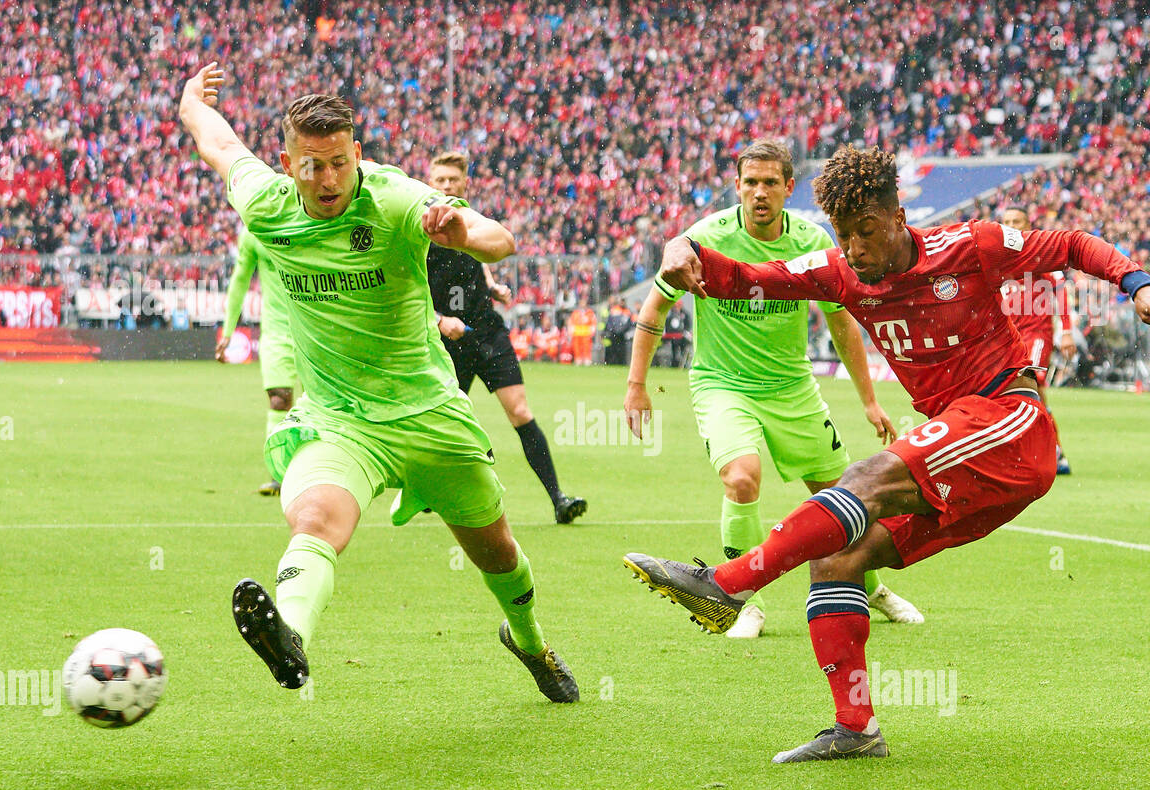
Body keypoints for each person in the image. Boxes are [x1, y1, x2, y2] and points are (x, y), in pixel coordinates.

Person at [625, 146, 1150, 761]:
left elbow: (1073, 244)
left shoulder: (971, 245)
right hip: (964, 458)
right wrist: (684, 251)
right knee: (837, 556)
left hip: (1010, 422)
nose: (856, 249)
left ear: (898, 215)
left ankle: (725, 585)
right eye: (844, 234)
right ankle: (856, 730)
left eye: (866, 231)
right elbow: (747, 279)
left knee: (866, 476)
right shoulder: (839, 272)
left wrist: (1141, 284)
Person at [178, 63, 578, 703]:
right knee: (313, 516)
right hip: (341, 419)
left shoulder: (393, 197)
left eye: (338, 162)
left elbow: (496, 239)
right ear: (288, 162)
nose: (326, 178)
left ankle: (529, 640)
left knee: (497, 552)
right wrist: (191, 103)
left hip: (428, 414)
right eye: (310, 165)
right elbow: (220, 146)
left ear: (356, 154)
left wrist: (458, 232)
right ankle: (292, 636)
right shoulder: (266, 203)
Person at [624, 139, 923, 639]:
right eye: (750, 183)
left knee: (841, 497)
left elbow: (843, 324)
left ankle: (871, 590)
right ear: (737, 187)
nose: (759, 193)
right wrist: (636, 386)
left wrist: (869, 400)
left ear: (789, 187)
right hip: (724, 385)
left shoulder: (812, 241)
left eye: (769, 183)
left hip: (792, 387)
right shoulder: (705, 238)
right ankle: (741, 603)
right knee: (742, 478)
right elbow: (654, 308)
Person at [425, 151, 586, 524]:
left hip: (486, 331)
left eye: (453, 180)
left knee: (520, 412)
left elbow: (479, 255)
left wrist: (491, 285)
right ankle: (427, 487)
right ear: (429, 183)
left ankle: (558, 500)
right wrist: (439, 320)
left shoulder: (473, 222)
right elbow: (406, 296)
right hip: (447, 341)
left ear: (465, 184)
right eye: (440, 180)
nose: (447, 186)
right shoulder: (419, 234)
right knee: (443, 421)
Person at [217, 223, 302, 495]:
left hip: (318, 327)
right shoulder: (254, 229)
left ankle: (324, 473)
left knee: (325, 401)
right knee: (279, 397)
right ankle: (280, 475)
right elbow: (240, 278)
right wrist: (228, 330)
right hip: (277, 330)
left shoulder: (314, 216)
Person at [1000, 207, 1076, 474]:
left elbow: (1059, 290)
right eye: (1006, 221)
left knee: (1029, 382)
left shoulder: (1038, 252)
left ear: (1027, 224)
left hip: (1036, 335)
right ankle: (1052, 452)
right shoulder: (996, 256)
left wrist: (1066, 330)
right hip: (1007, 338)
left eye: (1016, 221)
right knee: (1019, 394)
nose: (1010, 225)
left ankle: (1045, 452)